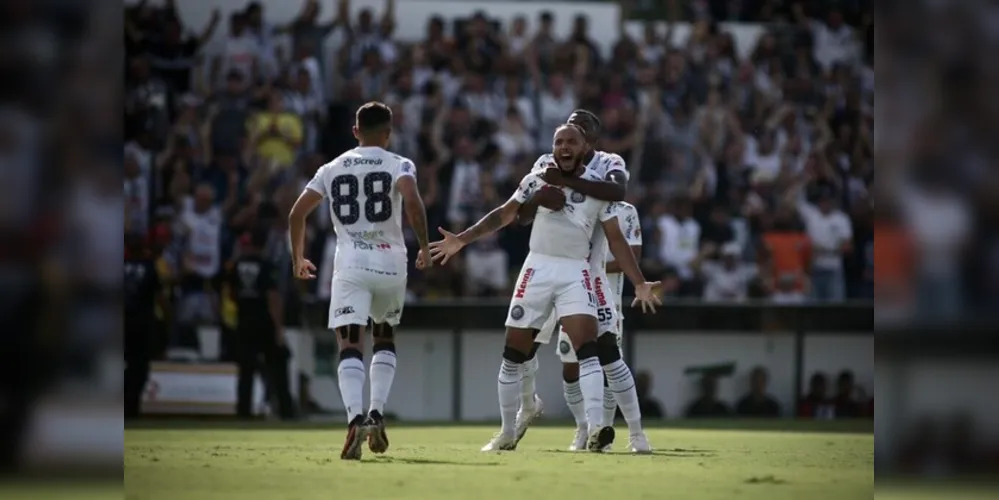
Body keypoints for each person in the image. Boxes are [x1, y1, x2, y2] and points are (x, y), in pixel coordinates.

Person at [429, 123, 661, 452]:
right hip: (536, 267)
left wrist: (638, 283)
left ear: (583, 149)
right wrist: (461, 240)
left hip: (576, 271)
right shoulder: (537, 176)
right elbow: (506, 215)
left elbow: (616, 239)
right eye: (559, 141)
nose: (564, 147)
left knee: (589, 350)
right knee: (513, 354)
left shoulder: (597, 187)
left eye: (571, 142)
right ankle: (508, 432)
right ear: (552, 148)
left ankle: (596, 429)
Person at [288, 101, 432, 460]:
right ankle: (377, 412)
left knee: (350, 343)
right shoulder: (399, 163)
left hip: (351, 264)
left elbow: (296, 214)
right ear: (388, 132)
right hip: (391, 262)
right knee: (384, 336)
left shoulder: (331, 167)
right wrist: (426, 247)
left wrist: (298, 257)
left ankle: (354, 419)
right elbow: (413, 203)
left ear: (355, 131)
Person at [515, 111, 650, 453]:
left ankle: (634, 433)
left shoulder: (608, 166)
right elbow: (520, 208)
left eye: (582, 130)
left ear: (591, 140)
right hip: (548, 272)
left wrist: (640, 282)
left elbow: (617, 193)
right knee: (544, 350)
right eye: (567, 130)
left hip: (592, 278)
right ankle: (556, 418)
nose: (571, 136)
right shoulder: (547, 161)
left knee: (607, 354)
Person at [229, 229, 295, 421]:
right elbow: (272, 297)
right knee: (278, 366)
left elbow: (231, 294)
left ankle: (243, 411)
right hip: (264, 323)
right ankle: (285, 410)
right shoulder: (267, 266)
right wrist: (279, 328)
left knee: (246, 371)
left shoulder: (236, 265)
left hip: (244, 322)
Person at [124, 233, 166, 419]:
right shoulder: (150, 268)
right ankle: (131, 408)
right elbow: (160, 298)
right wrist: (167, 317)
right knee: (139, 367)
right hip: (142, 323)